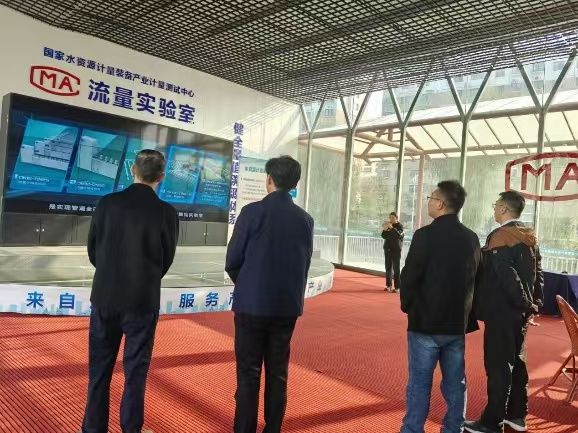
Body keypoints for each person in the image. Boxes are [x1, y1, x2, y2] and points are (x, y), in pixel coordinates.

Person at [81, 149, 179, 433]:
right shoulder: (166, 213)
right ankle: (131, 427)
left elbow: (93, 250)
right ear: (161, 176)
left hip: (105, 296)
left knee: (99, 370)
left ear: (133, 170)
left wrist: (111, 273)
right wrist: (144, 278)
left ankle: (93, 428)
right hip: (142, 301)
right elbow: (166, 259)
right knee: (136, 371)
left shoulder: (107, 203)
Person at [225, 155, 314, 433]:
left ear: (269, 180)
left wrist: (248, 285)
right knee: (278, 373)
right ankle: (273, 428)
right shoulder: (305, 220)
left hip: (251, 306)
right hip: (286, 307)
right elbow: (304, 263)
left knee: (248, 372)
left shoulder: (251, 213)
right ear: (295, 184)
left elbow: (233, 260)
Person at [399, 180, 481, 433]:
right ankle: (454, 428)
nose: (429, 202)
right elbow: (476, 278)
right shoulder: (471, 238)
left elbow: (410, 276)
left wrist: (409, 307)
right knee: (456, 382)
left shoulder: (424, 235)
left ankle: (413, 429)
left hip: (425, 322)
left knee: (419, 383)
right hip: (456, 324)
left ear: (441, 204)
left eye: (431, 198)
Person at [465, 191, 544, 433]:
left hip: (502, 311)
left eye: (496, 205)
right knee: (517, 362)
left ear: (503, 209)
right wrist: (534, 304)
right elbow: (538, 273)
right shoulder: (529, 235)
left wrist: (524, 303)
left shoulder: (500, 236)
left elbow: (507, 276)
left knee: (498, 366)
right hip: (520, 314)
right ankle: (516, 416)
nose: (494, 209)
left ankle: (492, 421)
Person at [381, 212, 404, 292]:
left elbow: (398, 236)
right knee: (388, 268)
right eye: (390, 217)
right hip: (387, 249)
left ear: (396, 218)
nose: (391, 219)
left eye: (392, 218)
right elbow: (383, 236)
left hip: (396, 250)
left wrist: (391, 227)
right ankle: (388, 285)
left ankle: (397, 287)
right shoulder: (389, 225)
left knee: (396, 268)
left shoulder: (400, 226)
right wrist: (385, 229)